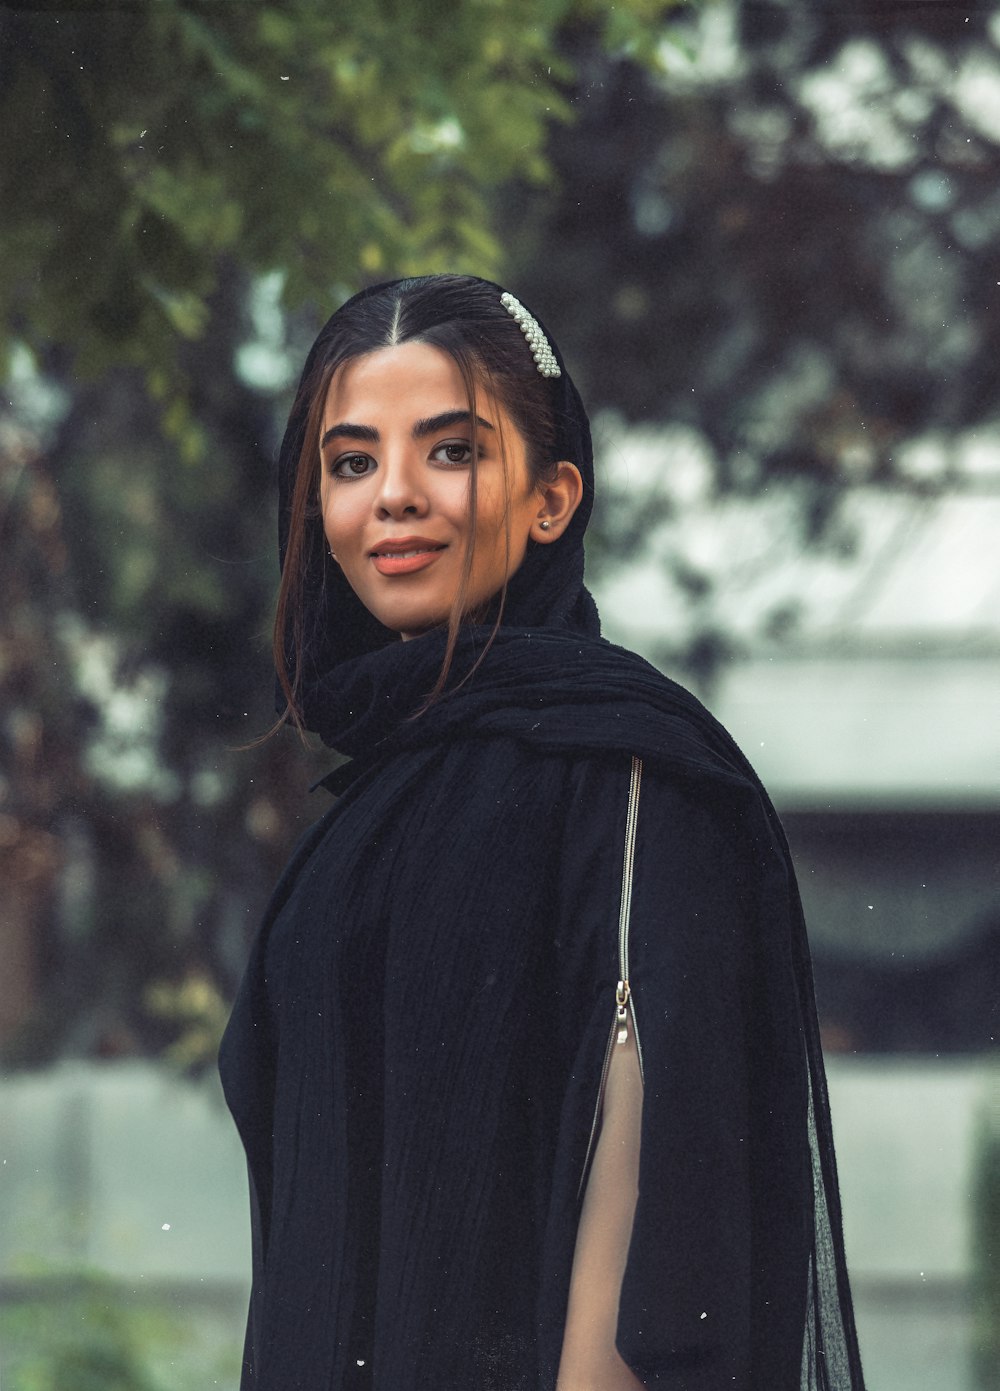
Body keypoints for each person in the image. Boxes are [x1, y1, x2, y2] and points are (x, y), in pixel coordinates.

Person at [218, 274, 867, 1391]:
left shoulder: (626, 771)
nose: (395, 497)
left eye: (452, 450)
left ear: (552, 496)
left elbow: (651, 1233)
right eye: (352, 461)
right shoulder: (364, 812)